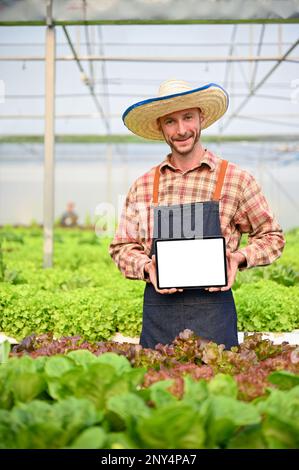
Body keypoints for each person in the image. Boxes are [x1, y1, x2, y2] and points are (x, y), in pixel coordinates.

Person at [109, 79, 285, 350]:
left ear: (201, 117)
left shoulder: (236, 180)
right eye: (170, 121)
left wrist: (239, 258)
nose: (181, 130)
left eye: (188, 117)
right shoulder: (144, 185)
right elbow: (121, 248)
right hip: (160, 317)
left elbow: (272, 237)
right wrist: (147, 267)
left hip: (215, 315)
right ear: (160, 127)